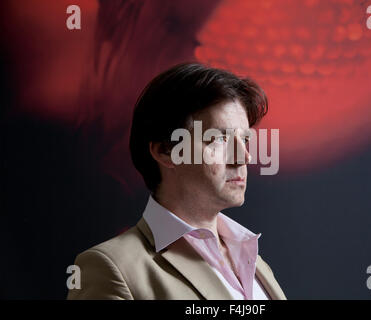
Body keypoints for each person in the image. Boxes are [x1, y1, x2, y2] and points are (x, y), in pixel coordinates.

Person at [67, 62, 286, 300]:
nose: (244, 156)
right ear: (166, 151)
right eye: (219, 138)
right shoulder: (111, 268)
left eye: (244, 139)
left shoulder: (252, 258)